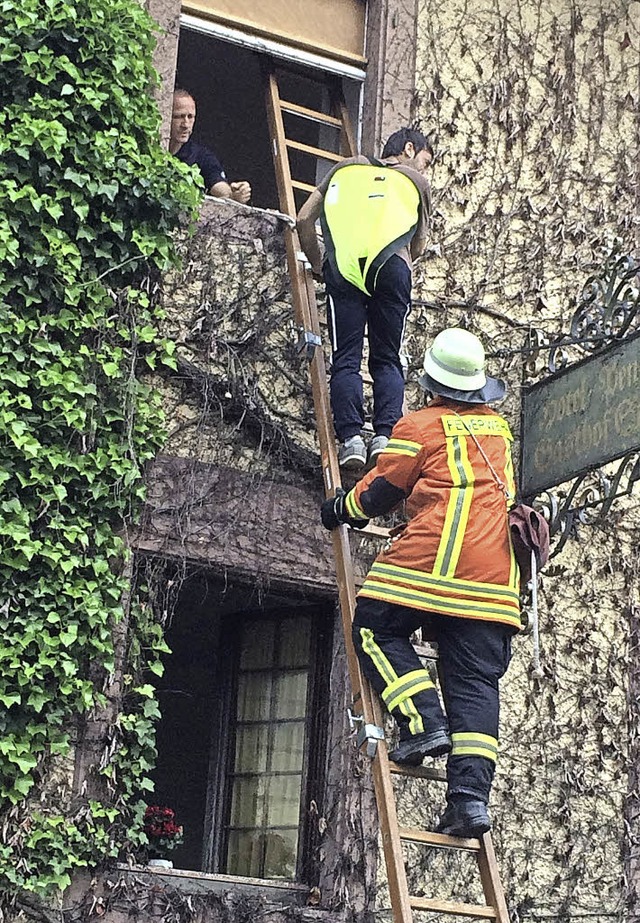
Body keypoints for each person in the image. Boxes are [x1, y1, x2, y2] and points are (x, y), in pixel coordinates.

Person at [320, 328, 521, 838]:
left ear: (431, 381)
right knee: (475, 686)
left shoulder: (419, 426)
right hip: (495, 579)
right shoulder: (498, 432)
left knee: (373, 627)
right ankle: (470, 800)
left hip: (432, 561)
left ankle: (421, 720)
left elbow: (382, 490)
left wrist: (340, 508)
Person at [296, 128, 432, 471]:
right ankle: (384, 437)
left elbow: (303, 219)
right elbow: (418, 245)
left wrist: (318, 265)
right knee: (387, 358)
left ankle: (352, 440)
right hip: (392, 267)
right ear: (410, 149)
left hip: (344, 267)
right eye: (426, 162)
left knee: (346, 358)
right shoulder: (415, 181)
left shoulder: (346, 169)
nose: (425, 170)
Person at [169, 90, 251, 204]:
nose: (186, 124)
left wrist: (234, 194)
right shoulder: (148, 148)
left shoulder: (201, 156)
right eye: (179, 117)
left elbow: (217, 183)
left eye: (190, 117)